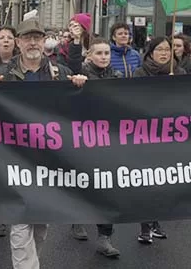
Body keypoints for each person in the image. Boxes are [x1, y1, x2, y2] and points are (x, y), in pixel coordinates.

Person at [0, 17, 85, 269]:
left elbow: (77, 108)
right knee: (20, 220)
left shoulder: (60, 73)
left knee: (41, 223)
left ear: (44, 42)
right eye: (27, 38)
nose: (32, 43)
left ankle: (30, 263)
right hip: (15, 157)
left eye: (37, 38)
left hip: (49, 158)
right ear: (18, 42)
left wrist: (79, 85)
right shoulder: (4, 75)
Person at [73, 38, 122, 258]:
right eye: (99, 53)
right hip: (83, 139)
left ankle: (105, 237)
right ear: (89, 55)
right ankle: (76, 217)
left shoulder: (118, 77)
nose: (104, 57)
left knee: (107, 187)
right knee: (82, 182)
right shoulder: (80, 76)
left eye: (107, 53)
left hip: (110, 140)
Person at [131, 36, 182, 244]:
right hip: (146, 133)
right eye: (160, 49)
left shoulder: (178, 72)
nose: (164, 53)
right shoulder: (140, 72)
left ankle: (156, 222)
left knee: (163, 180)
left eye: (167, 50)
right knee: (147, 180)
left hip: (171, 134)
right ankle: (145, 226)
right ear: (151, 52)